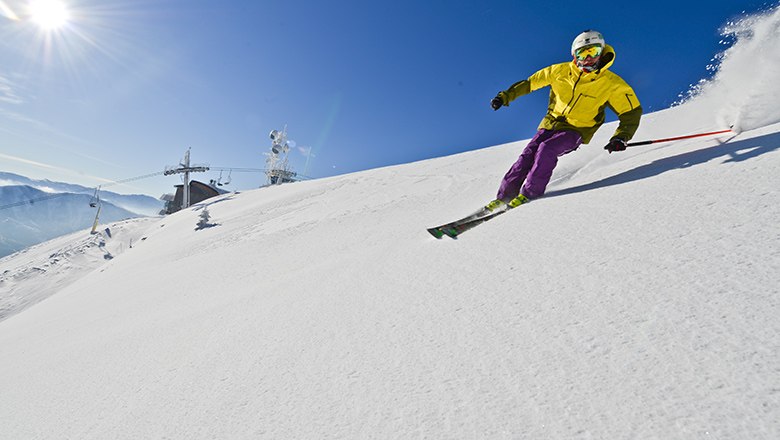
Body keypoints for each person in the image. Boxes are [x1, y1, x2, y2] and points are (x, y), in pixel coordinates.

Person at [485, 30, 643, 211]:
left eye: (594, 52)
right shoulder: (560, 71)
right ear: (574, 55)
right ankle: (504, 197)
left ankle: (530, 194)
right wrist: (505, 97)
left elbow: (631, 112)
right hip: (550, 123)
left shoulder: (612, 84)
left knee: (547, 150)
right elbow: (530, 83)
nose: (589, 58)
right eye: (583, 53)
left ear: (602, 51)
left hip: (577, 129)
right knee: (527, 156)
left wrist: (621, 137)